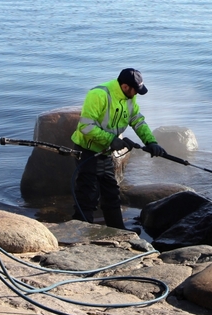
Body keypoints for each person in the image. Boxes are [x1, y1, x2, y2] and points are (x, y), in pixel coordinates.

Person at [70, 68, 165, 228]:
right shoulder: (98, 95)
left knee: (112, 195)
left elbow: (137, 121)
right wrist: (111, 140)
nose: (136, 94)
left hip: (105, 152)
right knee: (88, 196)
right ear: (126, 87)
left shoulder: (129, 99)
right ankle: (79, 235)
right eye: (136, 90)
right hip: (87, 152)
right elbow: (86, 126)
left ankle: (119, 232)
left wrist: (151, 142)